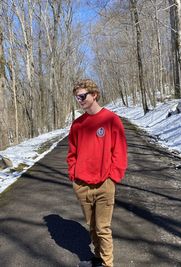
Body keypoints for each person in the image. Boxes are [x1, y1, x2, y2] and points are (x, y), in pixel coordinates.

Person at [66, 79, 127, 267]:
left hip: (104, 184)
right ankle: (99, 258)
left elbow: (120, 152)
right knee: (92, 227)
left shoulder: (111, 120)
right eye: (77, 97)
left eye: (83, 96)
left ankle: (108, 264)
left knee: (103, 228)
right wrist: (74, 176)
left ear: (94, 95)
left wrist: (112, 178)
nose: (80, 100)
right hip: (82, 185)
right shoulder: (77, 125)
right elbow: (72, 153)